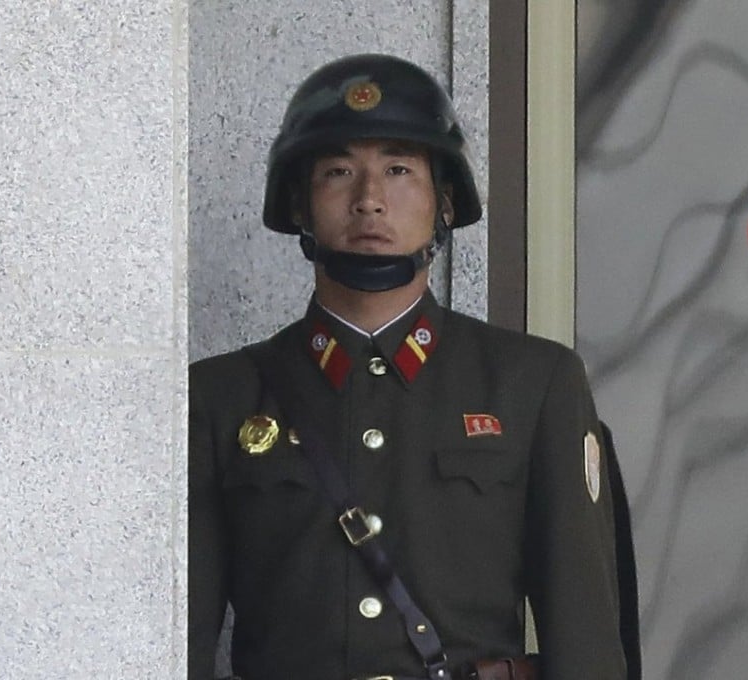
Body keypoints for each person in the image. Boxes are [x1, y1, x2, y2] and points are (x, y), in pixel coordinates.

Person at [190, 53, 629, 680]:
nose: (370, 200)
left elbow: (585, 639)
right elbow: (173, 638)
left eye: (399, 170)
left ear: (444, 204)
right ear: (298, 206)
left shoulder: (534, 384)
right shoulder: (220, 398)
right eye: (339, 171)